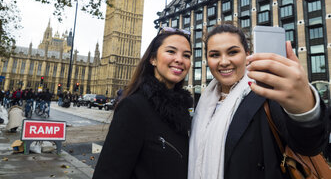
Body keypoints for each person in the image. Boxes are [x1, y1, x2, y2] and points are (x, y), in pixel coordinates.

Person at [188, 24, 329, 179]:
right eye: (214, 55)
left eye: (233, 52)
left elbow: (308, 144)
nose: (224, 61)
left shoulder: (267, 93)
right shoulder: (203, 103)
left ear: (247, 54)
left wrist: (305, 108)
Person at [93, 27, 193, 179]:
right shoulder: (134, 108)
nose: (179, 59)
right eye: (171, 51)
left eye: (186, 55)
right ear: (153, 59)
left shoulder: (182, 111)